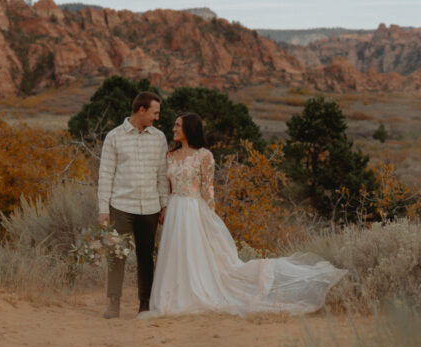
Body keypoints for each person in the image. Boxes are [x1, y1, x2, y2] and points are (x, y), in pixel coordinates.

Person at [146, 113, 346, 317]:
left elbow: (208, 189)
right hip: (174, 210)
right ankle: (173, 295)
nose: (174, 129)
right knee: (175, 253)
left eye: (178, 125)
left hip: (193, 211)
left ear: (189, 128)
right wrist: (164, 207)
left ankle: (194, 293)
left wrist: (209, 217)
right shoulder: (170, 155)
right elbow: (165, 185)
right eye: (175, 125)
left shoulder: (204, 155)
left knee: (194, 254)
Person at [97, 91, 169, 319]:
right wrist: (103, 209)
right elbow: (106, 173)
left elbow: (161, 174)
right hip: (121, 205)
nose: (156, 118)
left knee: (146, 258)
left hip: (149, 208)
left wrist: (164, 204)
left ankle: (145, 305)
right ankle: (113, 303)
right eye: (154, 113)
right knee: (117, 255)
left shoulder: (159, 138)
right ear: (142, 110)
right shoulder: (114, 137)